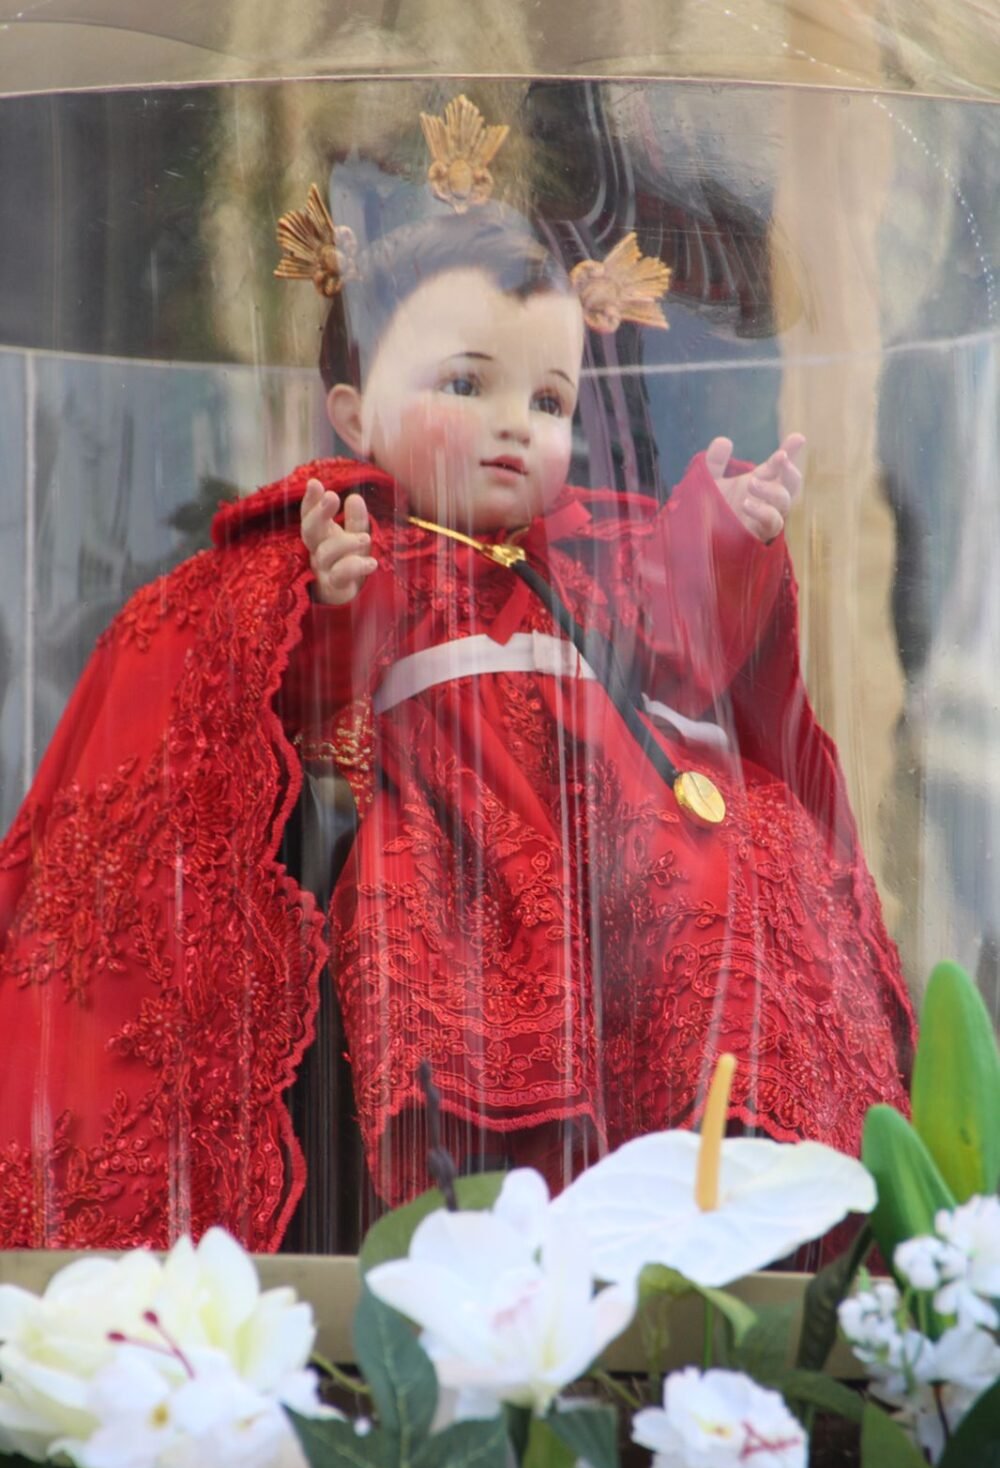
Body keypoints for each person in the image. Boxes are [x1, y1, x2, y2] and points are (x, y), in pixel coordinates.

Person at [0, 111, 914, 1251]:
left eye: (547, 404)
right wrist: (326, 599)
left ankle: (718, 1176)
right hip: (454, 820)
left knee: (723, 885)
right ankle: (469, 1205)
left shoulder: (593, 546)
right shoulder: (370, 543)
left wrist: (728, 540)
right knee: (424, 948)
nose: (509, 430)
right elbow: (284, 698)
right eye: (466, 385)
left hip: (617, 822)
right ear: (352, 415)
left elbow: (680, 634)